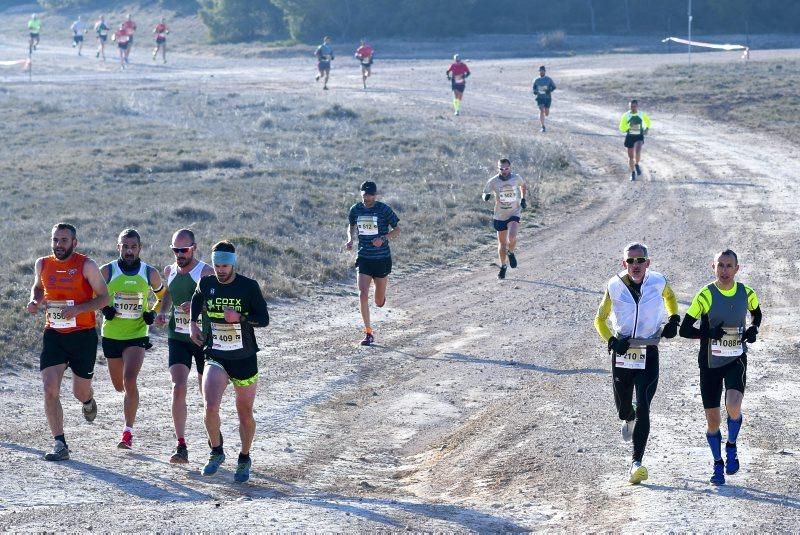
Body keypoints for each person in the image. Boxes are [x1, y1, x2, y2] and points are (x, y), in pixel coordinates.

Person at [594, 243, 680, 484]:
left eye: (640, 260)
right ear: (624, 264)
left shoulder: (658, 281)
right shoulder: (614, 286)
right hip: (623, 351)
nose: (635, 265)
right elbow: (599, 319)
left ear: (648, 263)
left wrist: (674, 319)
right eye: (630, 261)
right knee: (624, 409)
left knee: (644, 406)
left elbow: (671, 297)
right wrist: (611, 340)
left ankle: (636, 464)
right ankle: (627, 416)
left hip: (648, 349)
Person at [26, 223, 109, 461]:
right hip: (54, 334)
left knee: (79, 391)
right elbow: (38, 287)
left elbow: (104, 298)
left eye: (63, 240)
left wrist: (80, 309)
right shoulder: (43, 263)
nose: (58, 245)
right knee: (49, 388)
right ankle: (60, 443)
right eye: (55, 240)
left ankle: (88, 400)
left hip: (82, 336)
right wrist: (34, 300)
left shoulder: (87, 265)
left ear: (75, 242)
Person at [679, 249, 762, 485]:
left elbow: (757, 314)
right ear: (712, 267)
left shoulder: (747, 293)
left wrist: (753, 329)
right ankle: (718, 464)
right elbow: (685, 330)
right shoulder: (705, 295)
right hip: (710, 363)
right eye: (720, 265)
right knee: (713, 421)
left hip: (736, 358)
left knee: (733, 406)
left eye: (729, 266)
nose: (724, 270)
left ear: (737, 269)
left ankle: (732, 446)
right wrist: (708, 333)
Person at [190, 241, 269, 483]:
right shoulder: (207, 282)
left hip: (244, 358)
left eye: (225, 265)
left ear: (233, 264)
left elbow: (263, 319)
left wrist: (241, 317)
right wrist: (193, 322)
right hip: (216, 354)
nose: (220, 270)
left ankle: (244, 457)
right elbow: (197, 298)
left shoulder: (248, 287)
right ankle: (216, 451)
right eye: (216, 265)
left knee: (244, 412)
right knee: (210, 406)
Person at [99, 229, 166, 450]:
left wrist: (154, 313)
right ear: (118, 246)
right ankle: (127, 404)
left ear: (140, 248)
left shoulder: (149, 272)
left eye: (133, 247)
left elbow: (164, 296)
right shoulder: (107, 271)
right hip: (112, 335)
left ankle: (128, 432)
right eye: (125, 246)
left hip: (137, 334)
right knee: (119, 386)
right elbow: (91, 295)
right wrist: (105, 309)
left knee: (130, 380)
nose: (129, 251)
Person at [155, 229, 215, 464]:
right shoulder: (169, 271)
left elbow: (216, 300)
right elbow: (168, 295)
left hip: (203, 338)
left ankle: (214, 437)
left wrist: (198, 306)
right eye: (175, 250)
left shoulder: (206, 272)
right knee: (178, 386)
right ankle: (181, 445)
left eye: (184, 250)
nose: (179, 254)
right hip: (177, 337)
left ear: (194, 248)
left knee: (206, 395)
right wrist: (161, 312)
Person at [346, 181, 400, 346]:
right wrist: (350, 239)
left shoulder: (383, 209)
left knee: (378, 301)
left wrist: (383, 238)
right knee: (362, 294)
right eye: (363, 195)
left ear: (375, 195)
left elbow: (397, 229)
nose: (366, 199)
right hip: (364, 257)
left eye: (369, 196)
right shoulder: (356, 209)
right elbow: (351, 226)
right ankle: (368, 332)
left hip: (382, 258)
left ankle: (381, 297)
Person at [482, 158, 527, 280]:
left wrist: (523, 199)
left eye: (506, 168)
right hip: (500, 215)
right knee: (502, 243)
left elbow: (523, 186)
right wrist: (485, 196)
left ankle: (511, 253)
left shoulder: (516, 178)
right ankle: (503, 266)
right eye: (501, 169)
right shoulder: (493, 181)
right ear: (498, 168)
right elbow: (484, 192)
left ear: (510, 167)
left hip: (514, 212)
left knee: (512, 237)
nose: (504, 171)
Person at [619, 99, 651, 181]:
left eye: (634, 106)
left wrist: (646, 129)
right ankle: (633, 173)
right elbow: (621, 127)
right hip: (630, 136)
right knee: (630, 157)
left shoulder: (641, 114)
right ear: (629, 106)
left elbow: (648, 122)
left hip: (639, 136)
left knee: (638, 151)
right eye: (631, 106)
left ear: (637, 106)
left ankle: (637, 164)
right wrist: (628, 129)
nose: (632, 108)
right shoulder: (626, 115)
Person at [532, 65, 556, 133]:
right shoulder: (536, 80)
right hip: (540, 98)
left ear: (545, 71)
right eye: (540, 71)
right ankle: (542, 126)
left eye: (542, 71)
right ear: (539, 72)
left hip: (547, 98)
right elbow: (533, 88)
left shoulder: (549, 79)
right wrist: (535, 92)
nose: (541, 72)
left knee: (546, 113)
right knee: (541, 110)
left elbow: (554, 87)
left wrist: (549, 90)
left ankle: (546, 112)